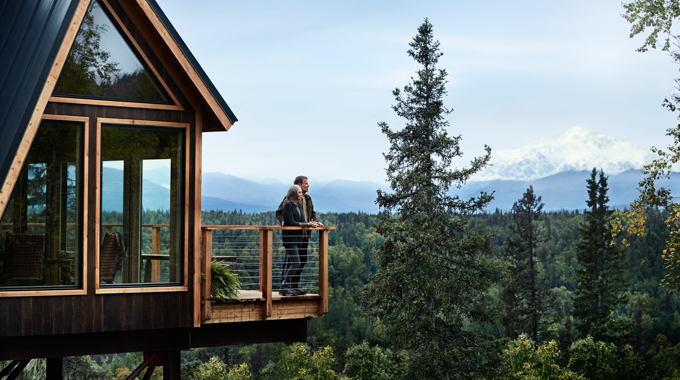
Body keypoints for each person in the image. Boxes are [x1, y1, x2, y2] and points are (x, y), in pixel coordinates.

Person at [276, 176, 323, 295]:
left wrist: (315, 223)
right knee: (291, 261)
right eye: (306, 184)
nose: (308, 186)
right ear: (298, 185)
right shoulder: (288, 201)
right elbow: (280, 213)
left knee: (301, 260)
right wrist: (283, 221)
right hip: (291, 235)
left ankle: (294, 286)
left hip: (303, 235)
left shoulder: (306, 199)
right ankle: (286, 285)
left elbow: (311, 214)